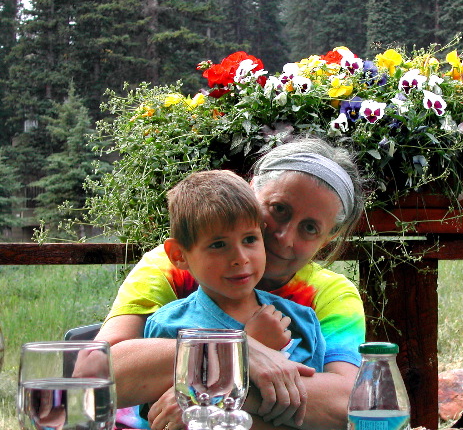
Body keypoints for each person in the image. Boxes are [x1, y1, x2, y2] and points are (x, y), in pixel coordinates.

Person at [94, 137, 366, 430]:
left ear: (328, 239)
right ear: (251, 192)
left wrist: (208, 396)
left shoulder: (329, 295)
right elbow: (95, 377)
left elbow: (347, 405)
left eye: (310, 228)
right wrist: (236, 351)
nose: (284, 237)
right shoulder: (174, 266)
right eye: (278, 209)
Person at [144, 169, 326, 375]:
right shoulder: (171, 328)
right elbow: (168, 405)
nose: (240, 258)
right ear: (179, 255)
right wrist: (247, 346)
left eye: (249, 239)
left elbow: (315, 400)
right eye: (219, 244)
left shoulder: (301, 320)